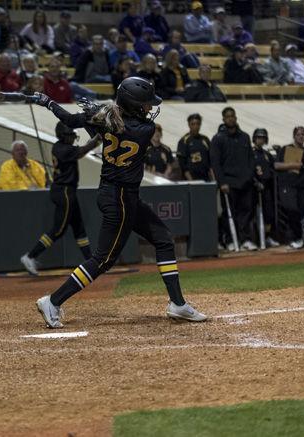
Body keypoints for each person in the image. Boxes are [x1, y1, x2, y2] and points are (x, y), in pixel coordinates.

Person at [31, 77, 206, 328]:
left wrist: (49, 102)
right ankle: (54, 301)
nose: (149, 108)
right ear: (133, 104)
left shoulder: (107, 120)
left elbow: (71, 120)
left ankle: (177, 304)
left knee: (163, 239)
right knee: (103, 260)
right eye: (145, 104)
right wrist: (98, 114)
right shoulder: (144, 130)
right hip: (120, 198)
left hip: (119, 195)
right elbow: (117, 127)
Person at [20, 123, 100, 275]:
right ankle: (30, 256)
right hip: (64, 191)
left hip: (68, 191)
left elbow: (81, 150)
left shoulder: (60, 146)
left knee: (79, 228)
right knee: (59, 229)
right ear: (63, 135)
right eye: (70, 134)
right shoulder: (62, 149)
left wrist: (97, 139)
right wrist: (97, 139)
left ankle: (91, 262)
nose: (72, 137)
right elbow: (82, 151)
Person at [211, 107, 257, 251]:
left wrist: (249, 176)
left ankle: (245, 240)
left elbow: (251, 159)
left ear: (236, 118)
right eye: (228, 116)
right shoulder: (218, 139)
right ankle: (230, 240)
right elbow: (215, 163)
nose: (231, 118)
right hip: (228, 183)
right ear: (223, 119)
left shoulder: (244, 136)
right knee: (228, 214)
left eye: (233, 116)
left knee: (246, 212)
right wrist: (222, 182)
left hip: (245, 182)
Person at [274, 126, 304, 249]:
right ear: (294, 136)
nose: (301, 136)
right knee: (290, 208)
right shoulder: (286, 149)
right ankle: (297, 235)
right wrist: (293, 165)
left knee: (300, 213)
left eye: (303, 134)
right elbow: (276, 165)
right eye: (298, 134)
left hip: (302, 186)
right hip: (287, 184)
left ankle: (298, 238)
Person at [251, 128, 280, 248]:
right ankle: (254, 239)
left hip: (267, 188)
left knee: (268, 215)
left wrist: (278, 153)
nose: (260, 140)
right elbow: (248, 171)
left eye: (263, 138)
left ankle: (267, 237)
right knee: (253, 215)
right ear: (254, 139)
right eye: (258, 137)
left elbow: (274, 167)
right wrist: (255, 182)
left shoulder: (267, 154)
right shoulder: (250, 153)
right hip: (254, 188)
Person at [176, 113, 214, 182]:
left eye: (198, 124)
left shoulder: (205, 140)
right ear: (189, 125)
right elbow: (182, 164)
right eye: (193, 124)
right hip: (190, 179)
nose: (195, 126)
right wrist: (191, 181)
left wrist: (213, 179)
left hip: (205, 178)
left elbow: (210, 161)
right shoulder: (184, 141)